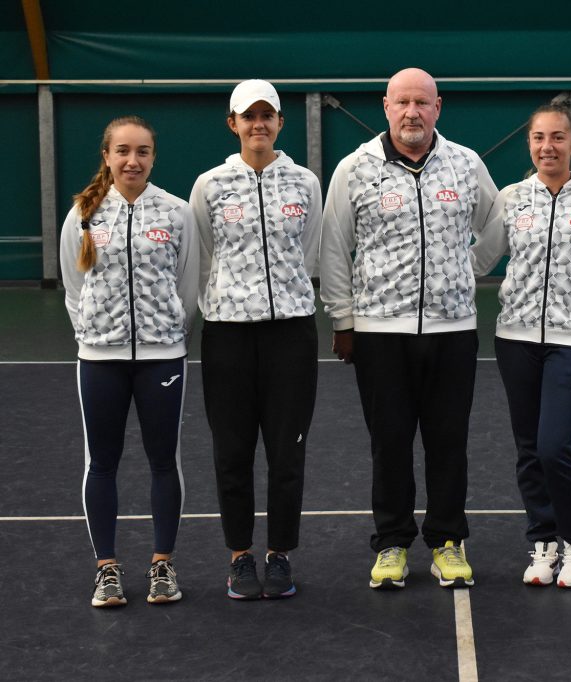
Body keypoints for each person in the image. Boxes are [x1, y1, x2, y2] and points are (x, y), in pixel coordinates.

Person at [320, 67, 499, 589]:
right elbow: (334, 247)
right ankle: (393, 543)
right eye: (403, 102)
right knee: (390, 442)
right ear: (386, 106)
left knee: (448, 440)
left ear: (438, 108)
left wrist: (471, 266)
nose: (412, 112)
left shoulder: (466, 164)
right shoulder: (355, 169)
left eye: (422, 102)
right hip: (380, 333)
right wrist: (344, 318)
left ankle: (447, 540)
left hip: (452, 331)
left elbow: (497, 222)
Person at [472, 103, 571, 588]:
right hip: (515, 337)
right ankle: (543, 541)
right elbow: (483, 256)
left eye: (558, 137)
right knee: (527, 447)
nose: (548, 147)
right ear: (530, 144)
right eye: (539, 138)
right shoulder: (513, 197)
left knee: (554, 444)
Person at [190, 79, 322, 600]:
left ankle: (280, 553)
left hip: (291, 334)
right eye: (249, 116)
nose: (259, 124)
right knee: (233, 450)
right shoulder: (210, 185)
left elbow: (310, 253)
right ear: (233, 124)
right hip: (227, 338)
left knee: (287, 453)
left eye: (268, 115)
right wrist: (222, 306)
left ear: (280, 123)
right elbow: (200, 258)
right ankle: (240, 555)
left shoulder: (305, 183)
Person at [60, 116, 198, 607]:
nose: (132, 160)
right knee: (102, 462)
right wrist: (96, 335)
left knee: (165, 462)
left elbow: (188, 282)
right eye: (122, 151)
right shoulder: (83, 212)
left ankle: (163, 565)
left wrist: (167, 333)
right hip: (99, 360)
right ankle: (107, 569)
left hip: (163, 357)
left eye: (141, 151)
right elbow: (74, 289)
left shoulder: (177, 212)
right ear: (107, 156)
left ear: (153, 157)